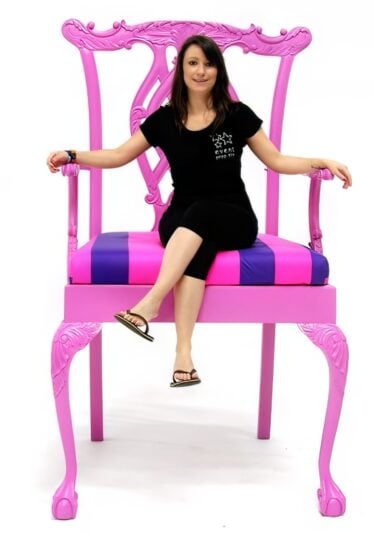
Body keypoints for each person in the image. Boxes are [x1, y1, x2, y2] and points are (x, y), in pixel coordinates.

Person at [47, 35, 352, 388]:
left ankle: (150, 303)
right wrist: (73, 154)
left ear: (218, 70)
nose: (201, 70)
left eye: (208, 63)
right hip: (182, 221)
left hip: (234, 216)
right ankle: (183, 355)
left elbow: (277, 160)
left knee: (203, 213)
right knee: (197, 237)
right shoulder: (165, 119)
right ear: (181, 69)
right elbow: (118, 155)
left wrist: (321, 161)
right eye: (193, 63)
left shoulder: (236, 115)